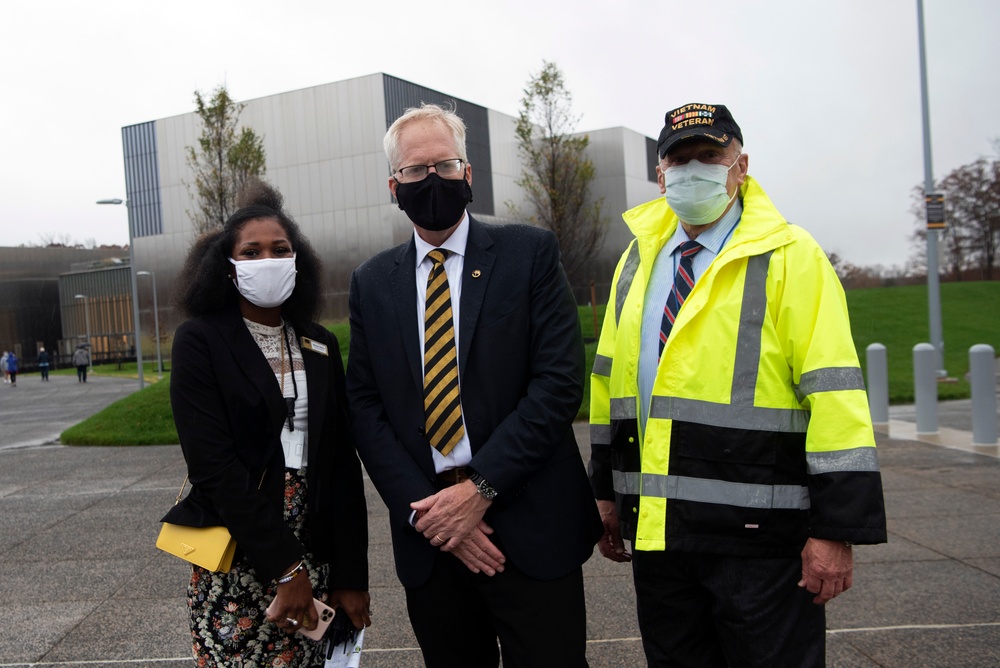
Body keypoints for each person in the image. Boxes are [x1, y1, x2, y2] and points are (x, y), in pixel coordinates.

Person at [588, 103, 887, 667]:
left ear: (740, 165)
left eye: (711, 155)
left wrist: (836, 529)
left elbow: (835, 393)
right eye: (680, 158)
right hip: (661, 536)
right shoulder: (637, 259)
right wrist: (606, 492)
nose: (693, 168)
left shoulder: (791, 255)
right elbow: (610, 383)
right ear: (660, 173)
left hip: (760, 540)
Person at [347, 103, 602, 668]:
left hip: (531, 525)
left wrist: (479, 490)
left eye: (444, 163)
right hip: (432, 539)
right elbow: (365, 408)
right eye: (415, 170)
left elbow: (559, 383)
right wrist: (432, 514)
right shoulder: (371, 282)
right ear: (395, 185)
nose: (431, 178)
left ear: (468, 173)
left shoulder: (530, 254)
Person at [164, 178, 370, 667]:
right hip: (241, 549)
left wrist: (351, 575)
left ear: (298, 261)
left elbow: (341, 463)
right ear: (228, 267)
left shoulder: (319, 343)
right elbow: (213, 466)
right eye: (251, 252)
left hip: (315, 547)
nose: (267, 260)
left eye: (280, 250)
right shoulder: (200, 341)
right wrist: (286, 567)